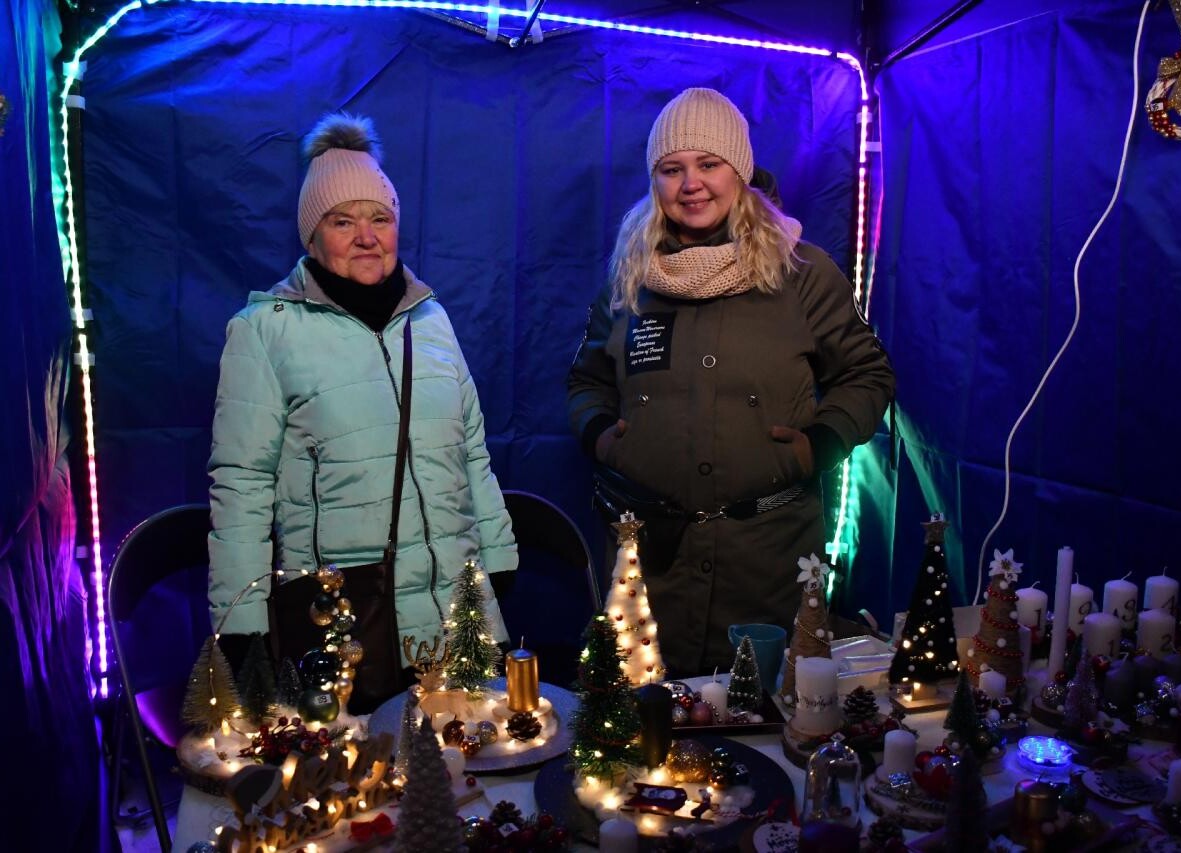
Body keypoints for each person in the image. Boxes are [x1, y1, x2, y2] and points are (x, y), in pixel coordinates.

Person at [567, 88, 894, 677]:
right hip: (650, 573)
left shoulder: (801, 271)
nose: (691, 184)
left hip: (767, 566)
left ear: (739, 170)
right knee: (647, 741)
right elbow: (586, 379)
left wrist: (817, 446)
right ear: (656, 181)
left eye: (708, 164)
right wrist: (602, 437)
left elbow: (867, 375)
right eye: (672, 169)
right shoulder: (631, 277)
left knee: (763, 736)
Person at [208, 113, 516, 703]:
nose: (366, 236)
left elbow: (471, 449)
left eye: (381, 218)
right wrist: (241, 621)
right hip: (346, 622)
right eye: (342, 220)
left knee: (472, 781)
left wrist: (498, 559)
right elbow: (241, 484)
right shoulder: (263, 332)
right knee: (362, 787)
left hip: (458, 610)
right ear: (312, 235)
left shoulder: (432, 320)